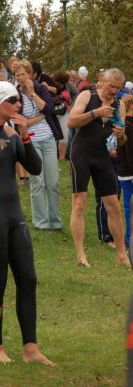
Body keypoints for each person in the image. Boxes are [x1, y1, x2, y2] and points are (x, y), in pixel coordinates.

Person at [0, 81, 54, 366]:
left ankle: (30, 348)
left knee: (28, 279)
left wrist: (25, 137)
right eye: (13, 100)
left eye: (19, 100)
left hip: (14, 217)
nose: (19, 105)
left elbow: (35, 167)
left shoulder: (11, 132)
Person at [68, 68, 129, 267]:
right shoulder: (88, 96)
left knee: (114, 206)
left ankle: (122, 254)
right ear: (102, 82)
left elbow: (121, 141)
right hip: (81, 154)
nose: (114, 91)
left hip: (102, 157)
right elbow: (71, 122)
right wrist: (96, 113)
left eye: (118, 88)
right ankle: (80, 254)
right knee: (79, 203)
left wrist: (120, 135)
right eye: (112, 86)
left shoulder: (119, 105)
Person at [15, 60, 62, 232]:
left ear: (30, 74)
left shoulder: (40, 88)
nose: (20, 77)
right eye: (17, 75)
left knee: (53, 183)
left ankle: (55, 221)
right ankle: (41, 222)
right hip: (31, 140)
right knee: (38, 182)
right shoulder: (15, 94)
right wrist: (39, 117)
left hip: (48, 138)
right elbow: (20, 122)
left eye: (23, 74)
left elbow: (49, 109)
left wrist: (33, 94)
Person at [116, 94, 133, 248]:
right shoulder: (128, 126)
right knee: (129, 206)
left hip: (124, 171)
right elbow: (129, 153)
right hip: (128, 173)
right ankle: (129, 238)